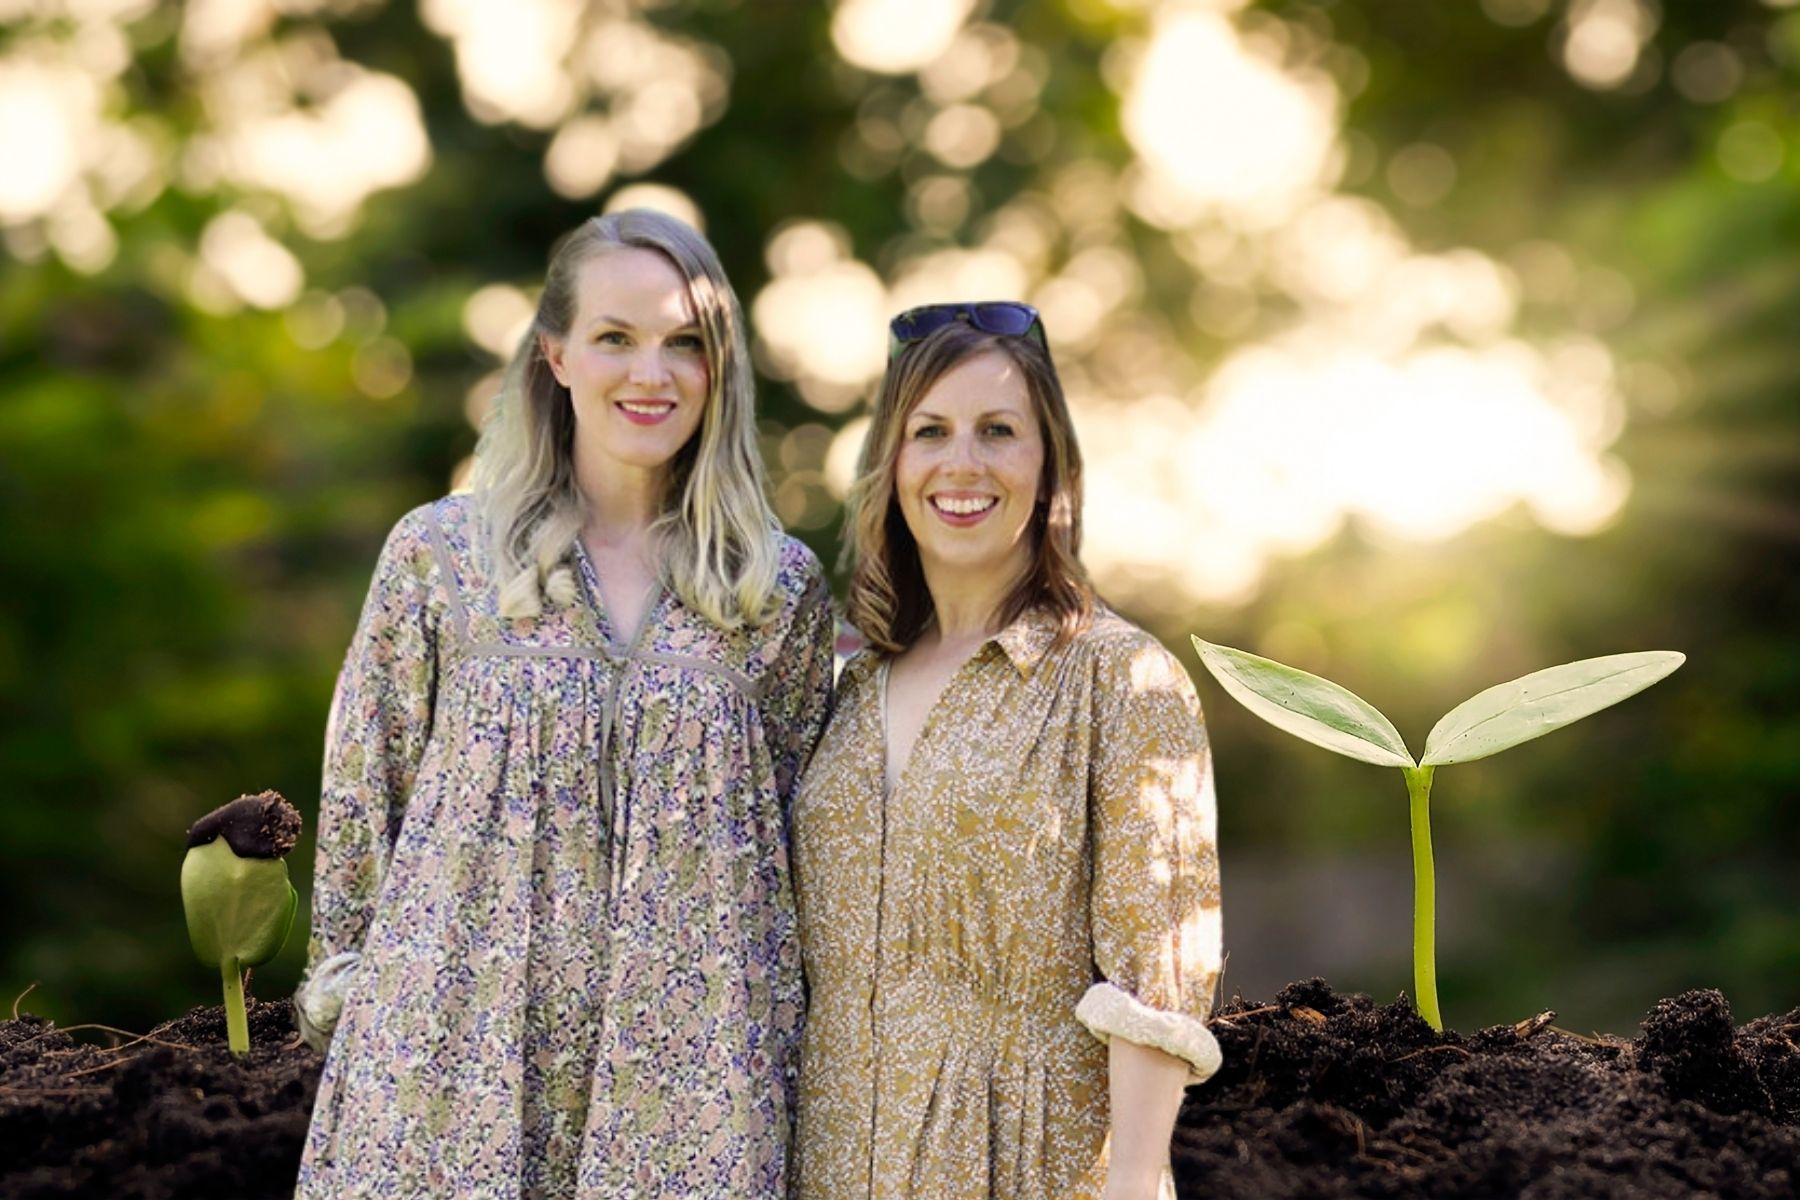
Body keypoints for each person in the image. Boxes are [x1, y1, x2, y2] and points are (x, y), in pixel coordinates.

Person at [291, 209, 837, 1199]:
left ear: (722, 368)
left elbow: (798, 844)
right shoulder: (443, 555)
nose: (652, 374)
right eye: (616, 338)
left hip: (689, 1090)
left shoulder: (778, 588)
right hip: (455, 1068)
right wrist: (351, 1001)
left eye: (686, 344)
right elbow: (364, 798)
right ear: (556, 355)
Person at [790, 302, 1222, 1200]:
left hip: (1023, 1162)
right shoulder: (845, 685)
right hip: (828, 1160)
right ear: (892, 461)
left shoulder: (1121, 679)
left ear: (1049, 465)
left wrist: (1136, 1183)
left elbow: (1157, 971)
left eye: (998, 431)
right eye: (931, 432)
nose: (963, 463)